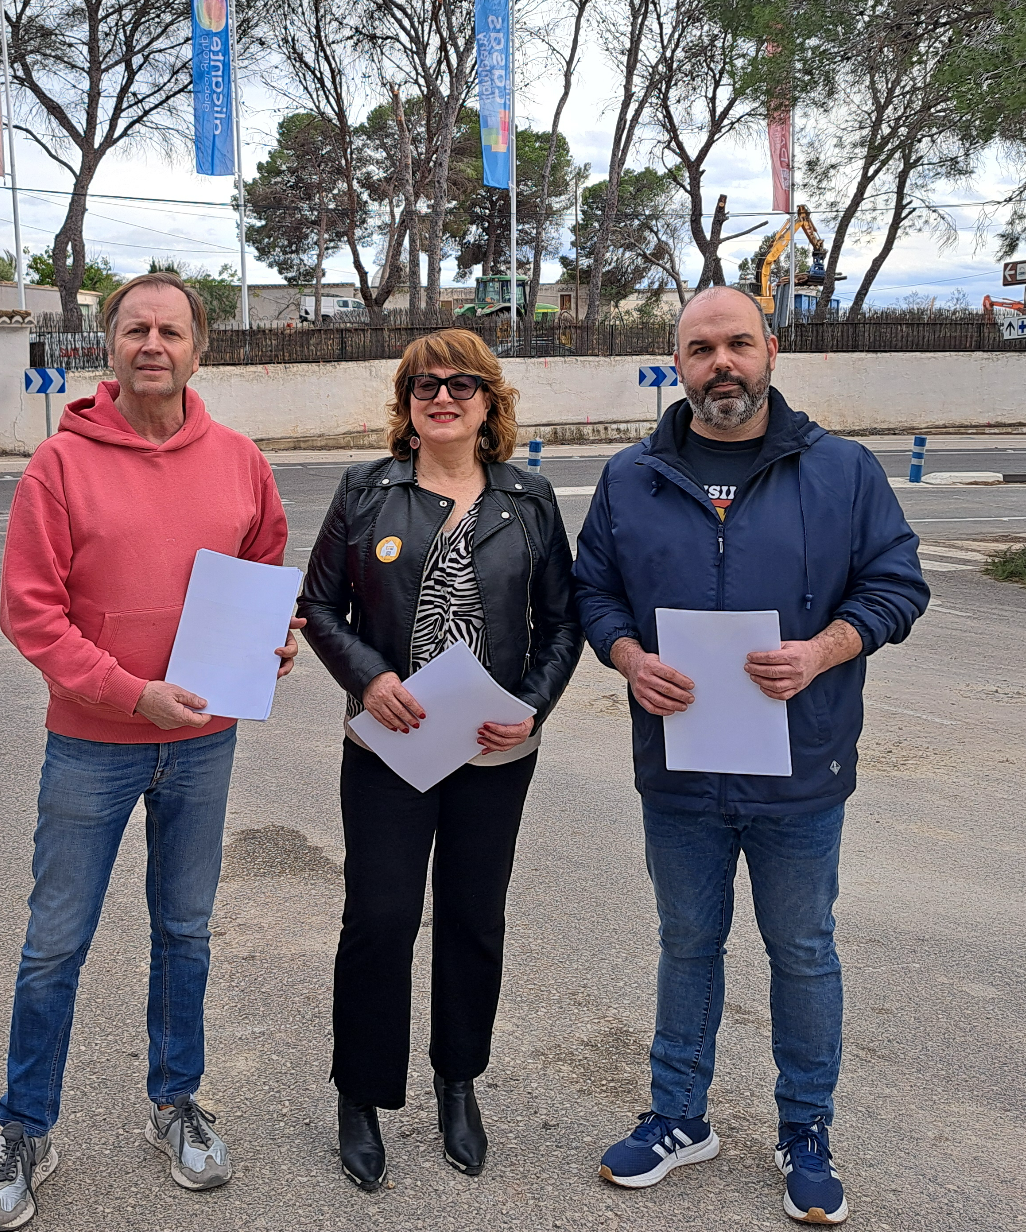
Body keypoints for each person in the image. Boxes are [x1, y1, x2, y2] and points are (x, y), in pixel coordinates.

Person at [573, 287, 927, 1225]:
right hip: (679, 768)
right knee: (687, 945)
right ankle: (678, 1118)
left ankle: (805, 1128)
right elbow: (592, 592)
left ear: (770, 349)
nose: (719, 363)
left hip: (800, 770)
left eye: (736, 344)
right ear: (675, 364)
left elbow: (897, 584)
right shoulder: (630, 477)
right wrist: (628, 657)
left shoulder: (842, 471)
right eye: (699, 349)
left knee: (801, 951)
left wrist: (824, 649)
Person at [0, 272, 300, 1230]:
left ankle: (176, 1105)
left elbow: (263, 575)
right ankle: (26, 1129)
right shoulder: (59, 468)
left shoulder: (240, 462)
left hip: (203, 745)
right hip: (92, 745)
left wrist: (271, 643)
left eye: (170, 330)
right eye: (133, 330)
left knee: (184, 933)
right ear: (106, 346)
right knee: (54, 945)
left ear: (199, 349)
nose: (151, 344)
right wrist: (130, 695)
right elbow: (28, 614)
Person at [298, 328, 582, 1191]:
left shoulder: (528, 500)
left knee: (472, 918)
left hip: (493, 753)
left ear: (489, 400)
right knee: (379, 919)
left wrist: (531, 704)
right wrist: (368, 675)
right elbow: (318, 604)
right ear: (406, 403)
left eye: (462, 383)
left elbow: (563, 622)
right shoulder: (365, 491)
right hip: (389, 744)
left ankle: (458, 1083)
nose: (442, 396)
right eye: (424, 384)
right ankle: (361, 1094)